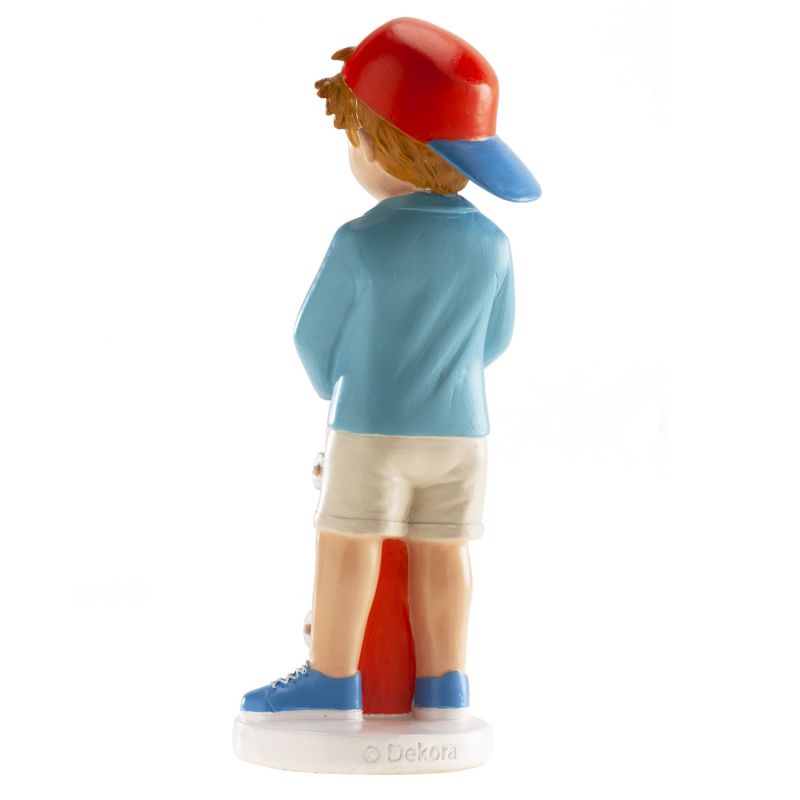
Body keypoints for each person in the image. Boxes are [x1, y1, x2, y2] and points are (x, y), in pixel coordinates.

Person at [240, 17, 540, 721]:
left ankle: (331, 678)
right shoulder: (493, 244)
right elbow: (496, 339)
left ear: (381, 143)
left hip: (371, 429)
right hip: (462, 436)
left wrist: (338, 387)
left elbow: (312, 339)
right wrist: (446, 376)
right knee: (444, 553)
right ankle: (444, 685)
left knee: (347, 544)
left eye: (355, 136)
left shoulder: (359, 241)